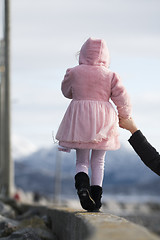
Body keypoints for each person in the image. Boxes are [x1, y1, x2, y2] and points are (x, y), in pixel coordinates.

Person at [56, 38, 131, 211]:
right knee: (99, 161)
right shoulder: (111, 75)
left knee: (81, 161)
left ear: (82, 53)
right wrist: (124, 116)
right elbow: (122, 98)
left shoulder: (74, 72)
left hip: (79, 116)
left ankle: (82, 186)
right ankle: (96, 200)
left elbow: (66, 92)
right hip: (104, 120)